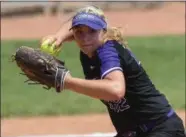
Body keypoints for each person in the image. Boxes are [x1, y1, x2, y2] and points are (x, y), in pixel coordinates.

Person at [41, 6, 185, 137]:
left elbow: (116, 90)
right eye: (79, 32)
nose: (85, 38)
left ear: (104, 31)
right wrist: (58, 37)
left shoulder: (107, 50)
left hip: (162, 130)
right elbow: (73, 23)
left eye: (92, 31)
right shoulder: (88, 51)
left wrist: (67, 82)